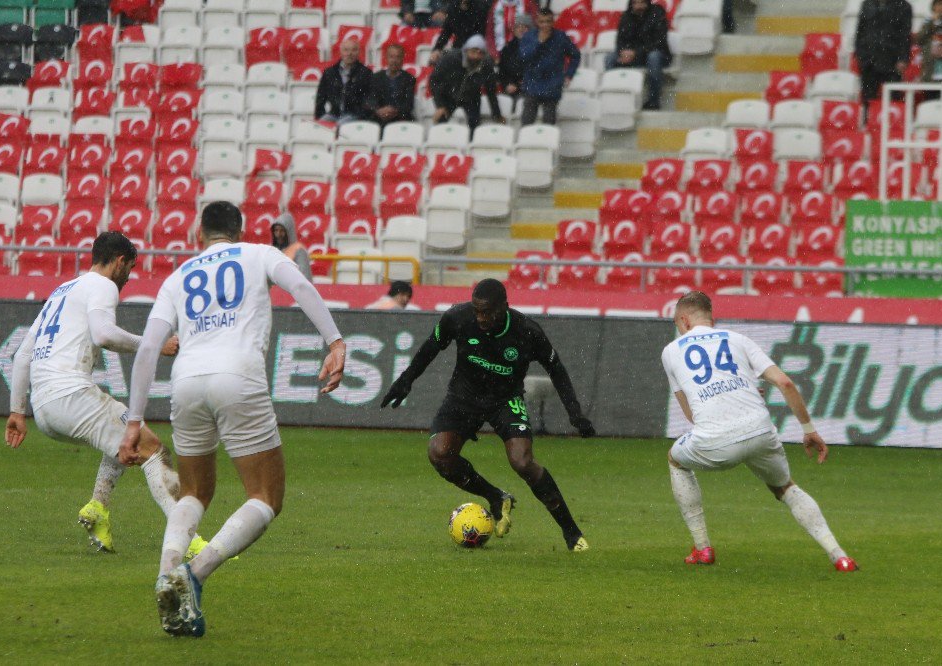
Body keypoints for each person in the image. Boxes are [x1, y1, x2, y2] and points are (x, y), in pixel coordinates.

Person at [119, 202, 346, 637]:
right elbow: (299, 284)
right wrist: (334, 340)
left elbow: (149, 349)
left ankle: (167, 571)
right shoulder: (258, 254)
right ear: (238, 231)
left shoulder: (177, 276)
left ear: (198, 233)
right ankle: (196, 574)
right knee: (265, 494)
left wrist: (134, 420)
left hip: (186, 380)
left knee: (194, 491)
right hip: (238, 374)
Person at [5, 231, 195, 555]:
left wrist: (17, 412)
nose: (128, 279)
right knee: (152, 449)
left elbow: (23, 354)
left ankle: (98, 506)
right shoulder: (104, 286)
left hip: (44, 410)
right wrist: (154, 344)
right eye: (130, 270)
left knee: (125, 433)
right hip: (71, 395)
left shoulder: (62, 290)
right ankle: (189, 541)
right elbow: (104, 334)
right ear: (120, 262)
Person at [381, 278, 595, 551]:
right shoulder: (458, 318)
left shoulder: (527, 332)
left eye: (487, 312)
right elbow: (430, 347)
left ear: (504, 307)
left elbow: (557, 369)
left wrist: (574, 413)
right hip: (463, 397)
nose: (480, 317)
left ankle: (571, 532)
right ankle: (496, 497)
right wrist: (406, 380)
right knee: (439, 453)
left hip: (505, 400)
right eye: (477, 310)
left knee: (522, 461)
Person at [661, 291, 857, 571]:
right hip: (760, 431)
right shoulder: (738, 339)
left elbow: (692, 414)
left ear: (684, 320)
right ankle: (840, 556)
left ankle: (703, 548)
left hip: (715, 441)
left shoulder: (671, 351)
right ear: (711, 319)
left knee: (675, 459)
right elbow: (785, 383)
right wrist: (808, 429)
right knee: (786, 487)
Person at [605, 0, 673, 110]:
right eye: (636, 3)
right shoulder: (626, 16)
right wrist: (623, 52)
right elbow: (620, 40)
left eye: (642, 2)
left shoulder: (657, 13)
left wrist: (636, 52)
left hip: (657, 54)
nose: (639, 6)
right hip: (634, 56)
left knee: (653, 58)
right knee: (609, 58)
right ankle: (614, 98)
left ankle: (653, 101)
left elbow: (659, 41)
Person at [429, 35, 504, 134]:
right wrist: (440, 105)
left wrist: (497, 114)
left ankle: (471, 145)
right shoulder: (450, 58)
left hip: (471, 97)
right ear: (466, 50)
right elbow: (434, 80)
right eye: (473, 52)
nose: (476, 56)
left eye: (480, 53)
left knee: (474, 126)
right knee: (441, 122)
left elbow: (491, 91)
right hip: (448, 94)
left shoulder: (486, 65)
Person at [519, 8, 580, 125]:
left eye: (548, 21)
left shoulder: (561, 37)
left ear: (553, 21)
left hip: (552, 85)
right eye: (542, 22)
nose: (545, 25)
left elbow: (575, 55)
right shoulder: (529, 36)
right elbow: (523, 57)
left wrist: (569, 75)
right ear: (537, 21)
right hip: (532, 84)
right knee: (526, 123)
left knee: (549, 124)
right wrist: (539, 42)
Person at [854, 0, 913, 108]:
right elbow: (860, 31)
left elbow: (905, 35)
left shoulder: (904, 6)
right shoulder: (867, 4)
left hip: (892, 60)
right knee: (868, 98)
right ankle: (867, 123)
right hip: (869, 60)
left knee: (893, 99)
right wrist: (860, 54)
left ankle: (892, 123)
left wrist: (903, 58)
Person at [314, 39, 374, 125]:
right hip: (334, 114)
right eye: (346, 50)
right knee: (319, 126)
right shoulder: (330, 72)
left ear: (358, 52)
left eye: (354, 50)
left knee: (340, 125)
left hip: (355, 115)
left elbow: (369, 98)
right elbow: (321, 97)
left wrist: (362, 114)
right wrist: (319, 117)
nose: (350, 53)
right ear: (341, 52)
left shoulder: (365, 73)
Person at [370, 44, 417, 127]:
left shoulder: (409, 79)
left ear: (402, 59)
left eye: (398, 57)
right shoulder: (376, 77)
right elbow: (371, 99)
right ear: (386, 58)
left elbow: (408, 104)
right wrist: (379, 110)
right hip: (379, 117)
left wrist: (394, 110)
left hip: (400, 117)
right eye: (391, 57)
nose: (394, 60)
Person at [430, 0, 491, 64]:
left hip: (476, 48)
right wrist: (437, 48)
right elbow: (446, 31)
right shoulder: (453, 7)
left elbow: (483, 33)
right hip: (459, 48)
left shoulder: (481, 7)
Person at [271, 212, 313, 282]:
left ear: (289, 232)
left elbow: (305, 279)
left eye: (282, 231)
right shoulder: (272, 250)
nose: (278, 234)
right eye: (276, 230)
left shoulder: (299, 250)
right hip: (275, 290)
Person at [917, 0, 942, 98]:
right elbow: (919, 39)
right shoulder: (927, 21)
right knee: (930, 99)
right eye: (938, 5)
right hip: (930, 68)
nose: (941, 8)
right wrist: (931, 23)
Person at [498, 14, 531, 98]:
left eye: (525, 26)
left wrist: (523, 84)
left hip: (530, 89)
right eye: (518, 26)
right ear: (514, 29)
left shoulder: (537, 48)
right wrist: (507, 84)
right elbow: (502, 72)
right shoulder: (507, 49)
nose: (521, 29)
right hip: (511, 89)